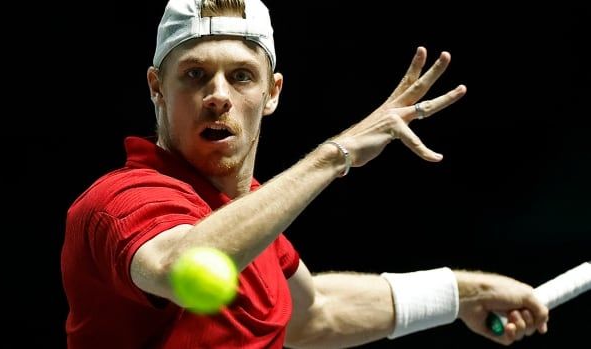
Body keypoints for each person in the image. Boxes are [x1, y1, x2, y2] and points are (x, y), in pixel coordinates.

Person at [61, 0, 550, 348]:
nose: (218, 95)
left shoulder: (248, 219)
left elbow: (315, 314)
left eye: (241, 76)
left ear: (271, 93)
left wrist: (465, 294)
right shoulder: (122, 203)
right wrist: (336, 154)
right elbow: (178, 265)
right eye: (193, 74)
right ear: (156, 89)